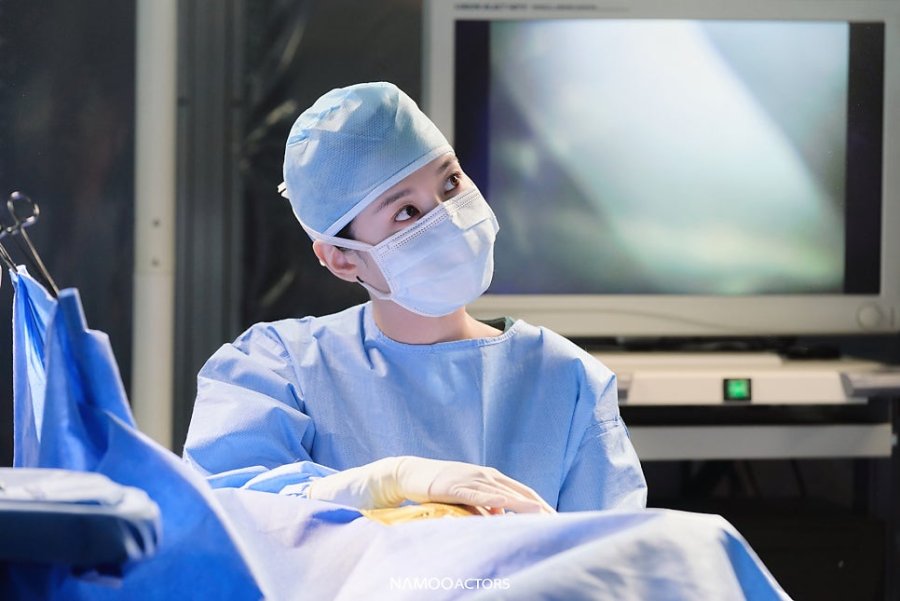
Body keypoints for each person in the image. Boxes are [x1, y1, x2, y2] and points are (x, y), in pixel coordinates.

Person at [183, 81, 647, 514]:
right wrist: (386, 482)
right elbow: (229, 510)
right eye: (406, 211)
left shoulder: (567, 382)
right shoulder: (278, 370)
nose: (449, 218)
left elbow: (613, 554)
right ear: (341, 258)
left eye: (451, 183)